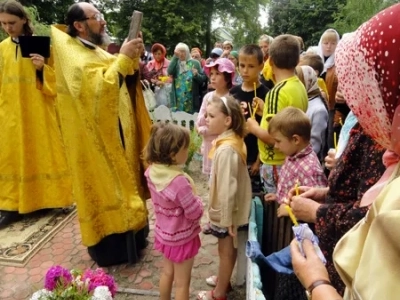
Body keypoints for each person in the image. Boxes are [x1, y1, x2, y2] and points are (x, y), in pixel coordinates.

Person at [290, 5, 400, 298]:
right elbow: (364, 191)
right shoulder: (382, 132)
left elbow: (371, 219)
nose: (356, 97)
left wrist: (316, 282)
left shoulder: (385, 139)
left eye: (368, 84)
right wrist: (326, 193)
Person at [50, 2, 152, 266]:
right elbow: (95, 92)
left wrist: (132, 56)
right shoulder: (72, 54)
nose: (103, 21)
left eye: (102, 16)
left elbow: (121, 75)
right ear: (79, 25)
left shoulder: (93, 49)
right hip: (95, 142)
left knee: (126, 183)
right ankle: (114, 251)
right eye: (97, 17)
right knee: (110, 188)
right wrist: (123, 58)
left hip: (117, 132)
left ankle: (136, 239)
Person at [0, 0, 72, 227]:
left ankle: (50, 198)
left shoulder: (40, 45)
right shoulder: (1, 49)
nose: (8, 27)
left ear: (23, 20)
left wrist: (43, 68)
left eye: (12, 22)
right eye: (3, 23)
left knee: (44, 150)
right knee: (11, 157)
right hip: (10, 112)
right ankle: (11, 205)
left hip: (39, 111)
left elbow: (58, 81)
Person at [197, 96, 252, 300]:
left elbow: (229, 188)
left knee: (226, 251)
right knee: (224, 250)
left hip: (228, 212)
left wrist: (227, 219)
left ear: (227, 120)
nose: (206, 119)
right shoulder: (230, 139)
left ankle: (219, 293)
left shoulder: (227, 148)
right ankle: (224, 280)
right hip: (228, 210)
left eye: (211, 116)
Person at [143, 122, 203, 300]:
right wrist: (198, 200)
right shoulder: (179, 183)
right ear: (172, 154)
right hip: (182, 238)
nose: (188, 151)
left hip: (165, 235)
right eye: (185, 148)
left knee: (167, 273)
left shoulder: (152, 172)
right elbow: (195, 212)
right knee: (183, 283)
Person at [246, 34, 308, 195]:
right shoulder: (299, 86)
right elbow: (289, 120)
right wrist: (265, 109)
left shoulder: (276, 92)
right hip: (292, 157)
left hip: (275, 162)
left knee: (276, 206)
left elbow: (273, 137)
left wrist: (253, 127)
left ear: (270, 61)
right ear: (297, 61)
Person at [264, 107, 327, 210]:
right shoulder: (291, 155)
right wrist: (279, 198)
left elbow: (317, 207)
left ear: (295, 140)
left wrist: (290, 211)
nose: (275, 146)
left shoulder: (309, 169)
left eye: (278, 141)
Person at [230, 45, 268, 194]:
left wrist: (259, 161)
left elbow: (267, 129)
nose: (245, 70)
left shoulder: (266, 94)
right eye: (242, 65)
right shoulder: (233, 93)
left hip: (255, 157)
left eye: (251, 66)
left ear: (261, 66)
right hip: (236, 154)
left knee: (253, 196)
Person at [196, 58, 235, 176]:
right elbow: (199, 121)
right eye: (211, 74)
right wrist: (206, 116)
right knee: (211, 177)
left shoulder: (231, 98)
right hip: (209, 144)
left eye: (217, 74)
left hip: (224, 144)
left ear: (227, 78)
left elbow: (231, 124)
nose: (212, 77)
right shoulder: (208, 97)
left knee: (223, 173)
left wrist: (207, 129)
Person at [295, 65, 329, 160]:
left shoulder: (318, 109)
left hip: (307, 161)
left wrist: (299, 159)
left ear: (307, 82)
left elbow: (315, 144)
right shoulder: (302, 100)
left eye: (298, 81)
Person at [168, 42, 206, 113]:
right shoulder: (176, 63)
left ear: (187, 52)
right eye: (179, 52)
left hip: (191, 100)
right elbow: (169, 71)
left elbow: (203, 79)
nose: (181, 54)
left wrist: (196, 75)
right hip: (178, 100)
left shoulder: (195, 63)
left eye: (183, 51)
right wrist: (174, 58)